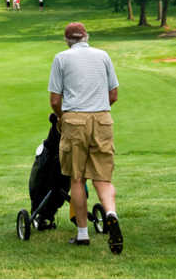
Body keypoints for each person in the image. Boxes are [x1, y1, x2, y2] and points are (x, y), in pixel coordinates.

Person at [47, 22, 124, 254]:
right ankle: (111, 214)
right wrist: (98, 109)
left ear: (67, 40)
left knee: (77, 178)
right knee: (103, 178)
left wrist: (63, 117)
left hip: (75, 121)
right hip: (102, 119)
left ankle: (82, 234)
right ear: (86, 37)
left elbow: (54, 100)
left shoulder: (61, 58)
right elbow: (114, 94)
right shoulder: (103, 56)